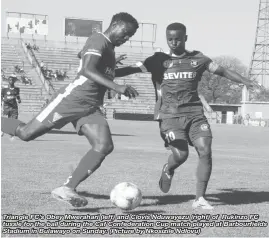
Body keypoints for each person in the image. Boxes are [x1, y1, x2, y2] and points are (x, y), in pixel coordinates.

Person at [115, 22, 259, 210]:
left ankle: (200, 198)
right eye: (170, 39)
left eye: (177, 39)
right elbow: (130, 70)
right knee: (181, 155)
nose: (173, 42)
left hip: (194, 114)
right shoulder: (156, 60)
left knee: (205, 150)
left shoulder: (198, 60)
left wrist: (244, 81)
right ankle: (169, 168)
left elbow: (222, 71)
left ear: (185, 38)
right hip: (169, 116)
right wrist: (109, 70)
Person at [1, 12, 139, 207]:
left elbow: (94, 66)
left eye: (130, 36)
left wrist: (137, 67)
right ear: (115, 24)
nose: (126, 38)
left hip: (90, 107)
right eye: (125, 33)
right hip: (71, 100)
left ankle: (67, 188)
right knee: (25, 133)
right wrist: (116, 87)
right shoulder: (98, 39)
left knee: (104, 145)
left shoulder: (108, 48)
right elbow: (86, 70)